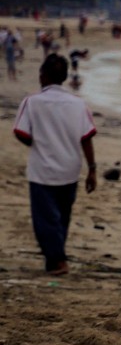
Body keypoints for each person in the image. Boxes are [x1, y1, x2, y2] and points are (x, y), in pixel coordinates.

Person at [13, 53, 97, 274]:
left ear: (43, 75)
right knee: (61, 217)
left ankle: (58, 260)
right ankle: (55, 259)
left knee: (45, 219)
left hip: (42, 168)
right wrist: (92, 169)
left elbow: (20, 132)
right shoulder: (78, 104)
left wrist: (37, 142)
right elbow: (86, 138)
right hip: (70, 167)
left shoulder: (32, 102)